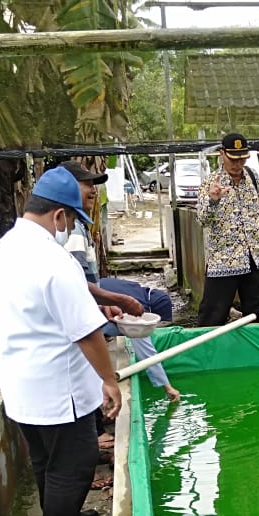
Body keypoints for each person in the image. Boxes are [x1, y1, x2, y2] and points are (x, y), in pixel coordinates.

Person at [0, 166, 121, 516]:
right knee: (73, 465)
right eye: (73, 219)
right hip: (58, 387)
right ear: (59, 216)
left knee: (46, 461)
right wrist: (108, 381)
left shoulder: (2, 251)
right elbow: (86, 331)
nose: (70, 228)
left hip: (21, 382)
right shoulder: (53, 260)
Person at [59, 161, 181, 403]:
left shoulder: (79, 228)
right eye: (87, 185)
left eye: (95, 185)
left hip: (93, 310)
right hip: (79, 321)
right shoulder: (69, 232)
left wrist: (105, 305)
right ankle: (97, 421)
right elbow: (75, 286)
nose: (94, 190)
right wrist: (117, 301)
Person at [195, 132, 259, 326]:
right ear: (222, 154)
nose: (238, 164)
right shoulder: (211, 182)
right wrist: (213, 200)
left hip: (255, 258)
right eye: (233, 159)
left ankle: (255, 354)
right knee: (212, 316)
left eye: (242, 159)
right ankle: (207, 353)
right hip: (224, 261)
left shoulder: (253, 178)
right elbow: (202, 219)